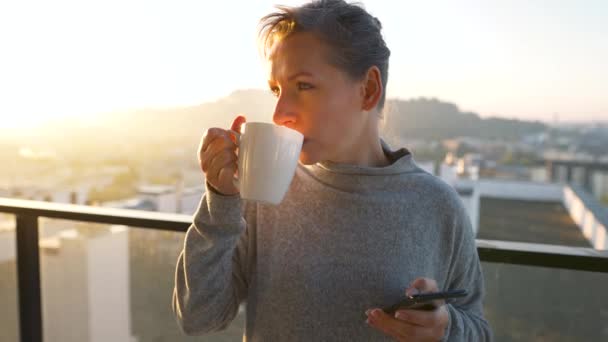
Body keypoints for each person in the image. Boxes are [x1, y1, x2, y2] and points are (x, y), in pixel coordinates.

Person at [172, 0, 492, 340]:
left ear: (368, 90)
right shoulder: (265, 190)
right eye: (277, 90)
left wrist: (446, 328)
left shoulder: (438, 205)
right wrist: (221, 198)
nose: (280, 113)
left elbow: (478, 330)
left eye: (304, 86)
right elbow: (198, 317)